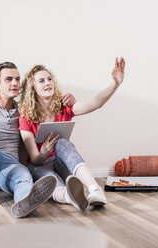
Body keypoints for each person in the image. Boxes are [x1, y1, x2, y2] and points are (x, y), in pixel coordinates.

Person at [0, 61, 76, 218]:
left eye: (17, 79)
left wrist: (66, 100)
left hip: (8, 165)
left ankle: (25, 201)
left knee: (24, 176)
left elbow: (46, 107)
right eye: (8, 79)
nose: (15, 83)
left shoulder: (24, 110)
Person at [18, 57, 126, 211]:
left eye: (49, 79)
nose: (48, 83)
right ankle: (71, 197)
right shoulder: (25, 117)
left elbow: (95, 103)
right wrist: (43, 153)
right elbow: (35, 159)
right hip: (40, 165)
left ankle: (95, 190)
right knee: (50, 180)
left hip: (62, 161)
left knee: (62, 142)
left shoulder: (63, 108)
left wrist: (115, 83)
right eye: (41, 81)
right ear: (32, 88)